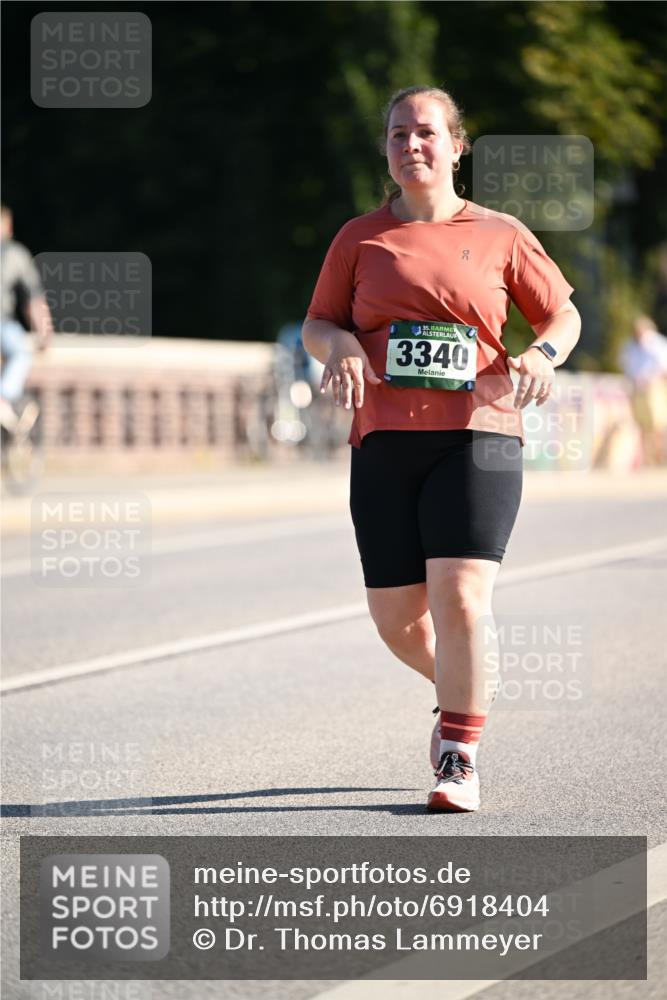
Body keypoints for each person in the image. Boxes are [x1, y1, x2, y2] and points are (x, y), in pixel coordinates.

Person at [302, 85, 581, 813]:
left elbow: (561, 312)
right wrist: (337, 351)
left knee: (459, 597)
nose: (410, 146)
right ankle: (465, 686)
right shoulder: (358, 238)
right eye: (397, 135)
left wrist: (543, 354)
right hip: (384, 439)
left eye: (425, 133)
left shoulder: (499, 233)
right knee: (396, 618)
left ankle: (458, 754)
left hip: (477, 436)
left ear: (457, 146)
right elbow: (318, 324)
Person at [0, 203, 53, 431]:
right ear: (8, 227)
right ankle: (3, 398)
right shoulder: (14, 254)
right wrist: (44, 334)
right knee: (21, 352)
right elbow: (32, 298)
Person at [619, 314, 667, 466]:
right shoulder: (630, 346)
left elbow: (662, 367)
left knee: (657, 425)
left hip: (654, 388)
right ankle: (648, 459)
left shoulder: (657, 344)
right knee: (642, 426)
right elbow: (626, 365)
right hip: (637, 389)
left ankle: (660, 458)